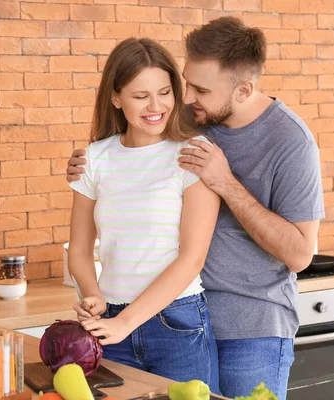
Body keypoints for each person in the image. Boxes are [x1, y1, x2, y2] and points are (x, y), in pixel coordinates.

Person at [67, 17, 325, 399]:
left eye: (199, 89)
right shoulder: (190, 115)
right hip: (178, 316)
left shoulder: (291, 141)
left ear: (244, 90)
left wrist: (225, 182)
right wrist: (86, 165)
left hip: (249, 328)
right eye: (186, 83)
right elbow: (134, 138)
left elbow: (301, 253)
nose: (186, 98)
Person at [67, 37, 221, 393]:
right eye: (140, 96)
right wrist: (94, 296)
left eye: (165, 92)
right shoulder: (94, 158)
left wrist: (126, 321)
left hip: (178, 325)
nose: (156, 106)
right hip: (110, 326)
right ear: (116, 98)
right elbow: (79, 251)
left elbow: (192, 258)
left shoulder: (194, 153)